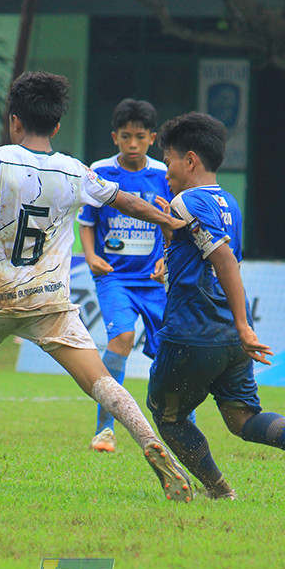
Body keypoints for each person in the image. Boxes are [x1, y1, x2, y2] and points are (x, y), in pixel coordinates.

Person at [0, 71, 194, 503]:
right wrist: (168, 220)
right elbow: (125, 200)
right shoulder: (75, 170)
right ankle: (150, 443)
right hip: (48, 301)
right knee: (100, 380)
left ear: (14, 122)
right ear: (57, 126)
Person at [146, 112, 285, 501]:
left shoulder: (186, 201)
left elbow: (224, 260)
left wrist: (245, 324)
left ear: (190, 160)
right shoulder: (227, 201)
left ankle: (218, 490)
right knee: (241, 417)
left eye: (167, 163)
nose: (165, 173)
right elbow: (208, 257)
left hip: (193, 333)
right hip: (229, 340)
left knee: (167, 415)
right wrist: (171, 247)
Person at [78, 98, 180, 453]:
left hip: (153, 282)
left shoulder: (162, 176)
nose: (132, 144)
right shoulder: (100, 171)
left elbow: (171, 226)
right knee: (121, 337)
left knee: (168, 351)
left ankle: (183, 425)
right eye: (125, 137)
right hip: (114, 278)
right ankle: (105, 430)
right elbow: (87, 223)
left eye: (140, 137)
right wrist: (90, 256)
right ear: (115, 138)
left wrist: (166, 261)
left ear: (152, 138)